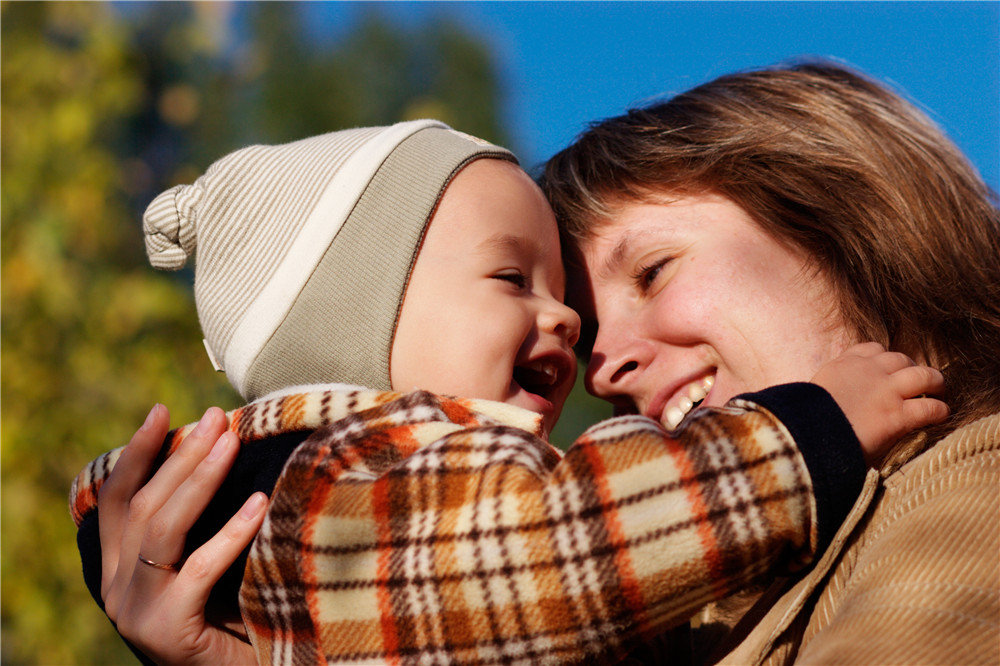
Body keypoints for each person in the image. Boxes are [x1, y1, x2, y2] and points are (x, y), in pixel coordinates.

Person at [70, 118, 945, 664]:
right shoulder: (357, 472)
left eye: (652, 270)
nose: (576, 336)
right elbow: (575, 546)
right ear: (356, 319)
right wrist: (804, 436)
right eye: (510, 278)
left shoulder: (960, 508)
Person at [540, 60, 1000, 664]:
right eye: (589, 333)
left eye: (652, 272)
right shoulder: (680, 610)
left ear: (838, 224)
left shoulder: (971, 487)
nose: (600, 370)